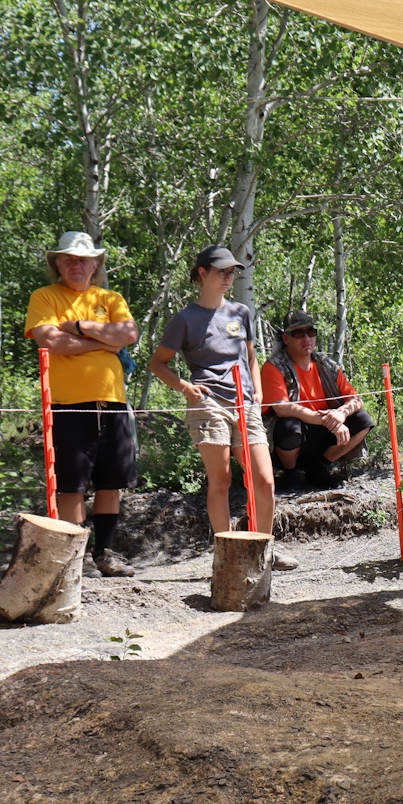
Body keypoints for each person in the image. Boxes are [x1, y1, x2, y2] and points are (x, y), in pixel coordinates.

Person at [148, 245, 297, 570]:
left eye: (232, 272)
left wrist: (258, 391)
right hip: (208, 404)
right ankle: (227, 553)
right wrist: (185, 387)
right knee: (221, 479)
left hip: (246, 403)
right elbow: (157, 363)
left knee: (264, 479)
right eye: (222, 271)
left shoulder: (241, 312)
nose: (229, 277)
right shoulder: (184, 319)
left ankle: (264, 550)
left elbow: (251, 357)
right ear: (202, 273)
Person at [25, 231, 140, 577]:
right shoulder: (45, 296)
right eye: (69, 259)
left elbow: (129, 334)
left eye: (83, 259)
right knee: (72, 484)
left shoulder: (111, 298)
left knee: (110, 482)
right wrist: (104, 341)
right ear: (57, 264)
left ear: (95, 264)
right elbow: (50, 341)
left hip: (112, 401)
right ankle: (75, 558)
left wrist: (78, 326)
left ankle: (104, 553)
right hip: (67, 404)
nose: (76, 264)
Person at [260, 311, 372, 489]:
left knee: (363, 420)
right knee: (288, 427)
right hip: (292, 438)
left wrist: (341, 414)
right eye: (298, 333)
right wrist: (328, 420)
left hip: (323, 434)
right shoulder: (273, 367)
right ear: (286, 338)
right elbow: (282, 408)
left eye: (310, 332)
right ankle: (291, 473)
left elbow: (356, 399)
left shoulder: (327, 365)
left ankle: (318, 468)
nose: (306, 338)